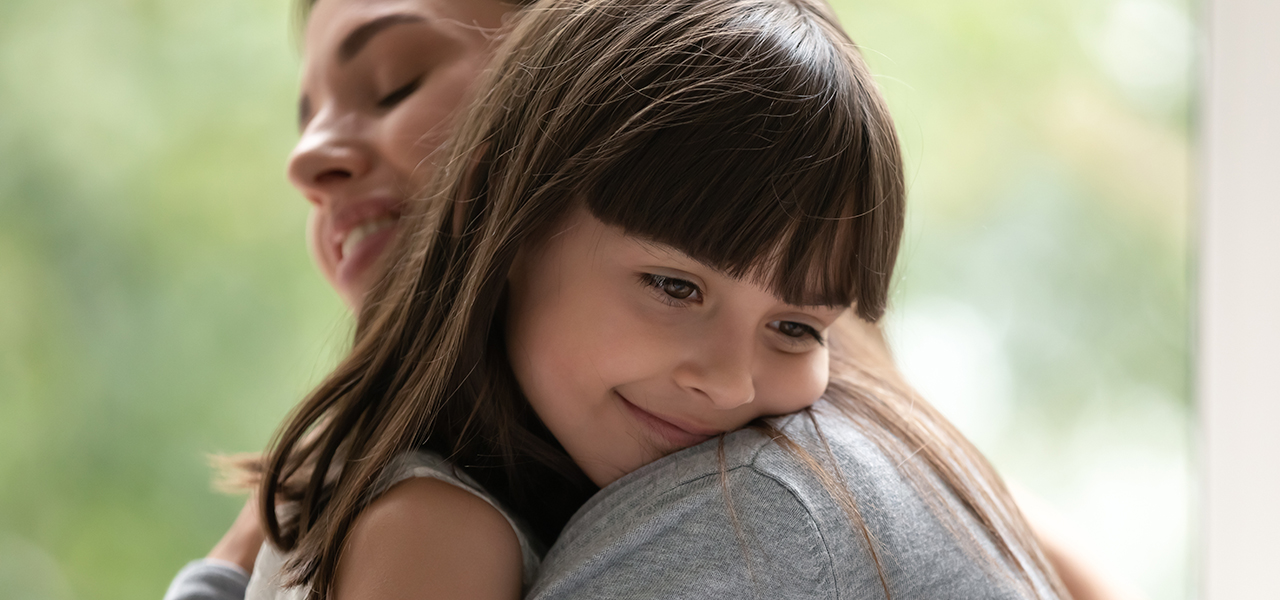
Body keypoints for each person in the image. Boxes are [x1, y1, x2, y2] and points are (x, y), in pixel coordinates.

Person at [165, 0, 1140, 598]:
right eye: (673, 286)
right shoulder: (418, 501)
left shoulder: (777, 475)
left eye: (393, 81)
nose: (310, 159)